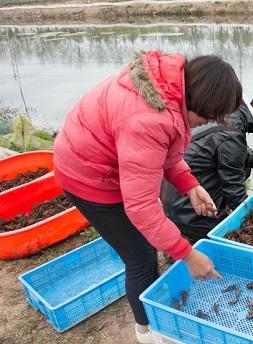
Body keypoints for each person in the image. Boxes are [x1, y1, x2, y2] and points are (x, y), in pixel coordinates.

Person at [53, 51, 242, 343]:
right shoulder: (148, 118)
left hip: (106, 160)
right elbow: (141, 207)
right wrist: (188, 254)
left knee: (145, 246)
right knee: (140, 256)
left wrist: (189, 184)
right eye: (205, 117)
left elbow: (163, 147)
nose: (204, 124)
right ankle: (146, 331)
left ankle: (152, 321)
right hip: (88, 175)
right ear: (197, 100)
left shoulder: (169, 86)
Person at [162, 83, 253, 243]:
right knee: (235, 234)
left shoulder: (232, 112)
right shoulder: (232, 131)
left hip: (174, 198)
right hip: (188, 209)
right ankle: (191, 234)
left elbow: (234, 149)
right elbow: (234, 189)